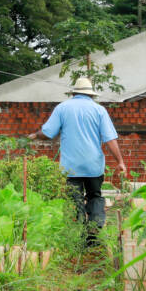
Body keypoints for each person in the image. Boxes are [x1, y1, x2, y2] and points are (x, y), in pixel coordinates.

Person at [27, 76, 128, 249]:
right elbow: (110, 139)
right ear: (91, 95)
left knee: (75, 201)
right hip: (94, 166)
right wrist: (120, 161)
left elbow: (48, 132)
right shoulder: (99, 110)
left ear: (73, 93)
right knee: (95, 197)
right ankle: (93, 234)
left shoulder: (63, 108)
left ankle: (79, 237)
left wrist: (35, 135)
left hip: (70, 168)